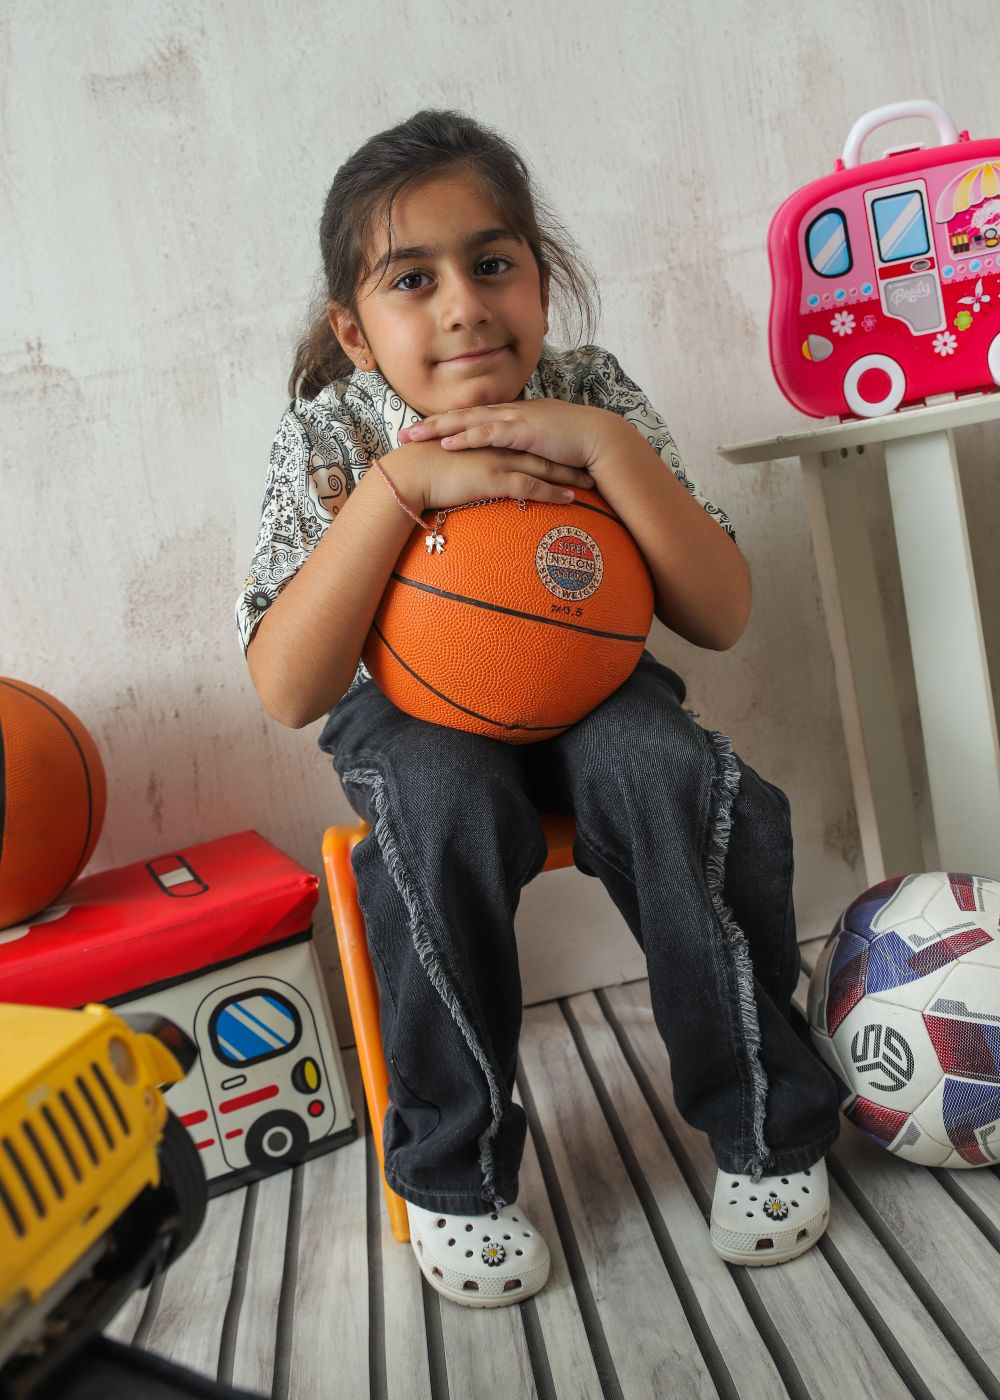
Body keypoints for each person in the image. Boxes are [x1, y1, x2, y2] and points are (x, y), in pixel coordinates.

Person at [237, 109, 842, 1307]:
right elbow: (289, 686)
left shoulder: (588, 394)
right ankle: (454, 1171)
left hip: (591, 689)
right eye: (413, 278)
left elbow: (719, 612)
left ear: (542, 283)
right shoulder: (333, 432)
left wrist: (604, 449)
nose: (464, 304)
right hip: (412, 713)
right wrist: (401, 484)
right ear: (355, 330)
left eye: (491, 261)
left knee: (668, 770)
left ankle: (766, 1120)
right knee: (437, 804)